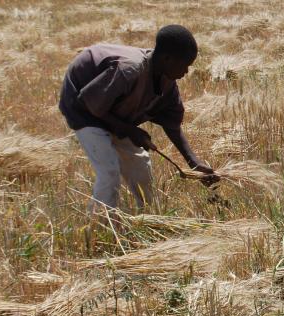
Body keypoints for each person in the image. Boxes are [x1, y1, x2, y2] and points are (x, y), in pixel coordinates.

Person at [59, 24, 217, 211]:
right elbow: (91, 104)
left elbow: (172, 126)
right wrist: (129, 130)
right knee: (109, 171)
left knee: (141, 168)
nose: (187, 72)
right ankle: (97, 227)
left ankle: (150, 215)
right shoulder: (128, 70)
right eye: (185, 65)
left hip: (112, 111)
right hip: (82, 106)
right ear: (167, 59)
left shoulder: (168, 84)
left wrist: (193, 162)